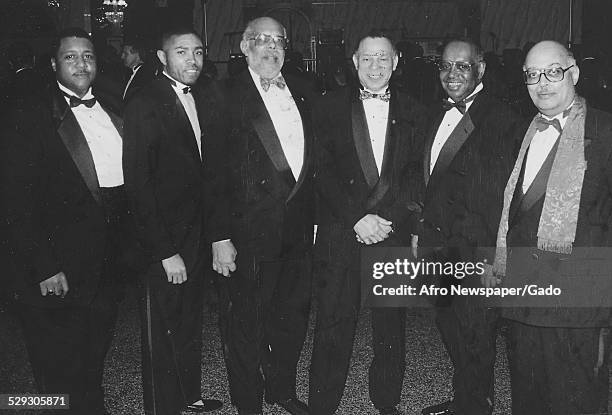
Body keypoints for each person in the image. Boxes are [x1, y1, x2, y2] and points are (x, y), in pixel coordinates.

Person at [0, 28, 135, 414]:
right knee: (56, 358)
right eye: (71, 56)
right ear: (54, 64)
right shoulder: (29, 114)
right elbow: (15, 200)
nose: (81, 63)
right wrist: (44, 265)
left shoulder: (113, 104)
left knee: (95, 346)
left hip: (108, 257)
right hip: (58, 261)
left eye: (88, 55)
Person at [310, 32, 428, 415]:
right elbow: (320, 171)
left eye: (383, 59)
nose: (375, 67)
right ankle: (323, 405)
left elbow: (416, 175)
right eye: (367, 59)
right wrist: (356, 218)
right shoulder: (326, 106)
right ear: (354, 62)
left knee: (390, 328)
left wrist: (388, 220)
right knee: (332, 325)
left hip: (389, 232)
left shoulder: (415, 109)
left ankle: (387, 402)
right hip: (341, 230)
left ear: (395, 61)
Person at [492, 40, 612, 415]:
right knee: (529, 394)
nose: (542, 83)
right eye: (532, 75)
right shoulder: (520, 132)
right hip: (524, 292)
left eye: (553, 72)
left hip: (578, 296)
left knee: (575, 397)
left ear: (573, 73)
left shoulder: (605, 130)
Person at [209, 16, 315, 415]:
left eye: (278, 41)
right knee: (245, 329)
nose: (271, 48)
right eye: (262, 40)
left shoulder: (305, 89)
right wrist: (219, 237)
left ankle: (282, 391)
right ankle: (249, 404)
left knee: (291, 321)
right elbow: (213, 175)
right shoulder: (223, 94)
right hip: (246, 234)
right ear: (244, 47)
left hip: (298, 233)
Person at [419, 39, 525, 415]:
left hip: (474, 250)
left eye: (462, 66)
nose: (452, 74)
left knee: (476, 337)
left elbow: (497, 197)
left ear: (480, 69)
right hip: (439, 247)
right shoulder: (436, 113)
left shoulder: (500, 118)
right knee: (452, 330)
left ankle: (475, 407)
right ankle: (466, 397)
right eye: (445, 66)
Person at [122, 27, 224, 414]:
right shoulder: (145, 101)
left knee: (188, 321)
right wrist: (165, 251)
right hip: (164, 240)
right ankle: (162, 407)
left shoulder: (203, 95)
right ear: (162, 58)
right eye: (182, 52)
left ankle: (188, 396)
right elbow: (139, 184)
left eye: (198, 52)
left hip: (196, 234)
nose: (192, 61)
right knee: (162, 328)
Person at [120, 38, 156, 102]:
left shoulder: (146, 76)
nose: (122, 57)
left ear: (137, 55)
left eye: (126, 54)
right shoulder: (128, 72)